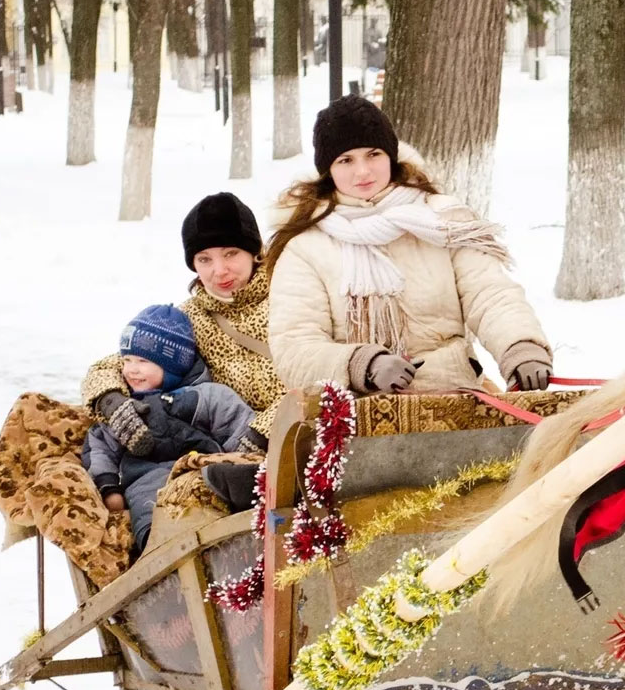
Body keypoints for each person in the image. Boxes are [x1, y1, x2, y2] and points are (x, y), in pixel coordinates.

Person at [265, 94, 551, 396]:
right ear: (328, 170)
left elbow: (489, 294)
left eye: (373, 154)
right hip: (356, 412)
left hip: (454, 395)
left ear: (391, 155)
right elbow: (294, 345)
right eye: (346, 160)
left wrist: (521, 346)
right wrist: (362, 363)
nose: (362, 171)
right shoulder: (305, 247)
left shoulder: (441, 220)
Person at [81, 192, 283, 511]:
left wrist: (264, 431)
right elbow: (112, 366)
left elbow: (318, 375)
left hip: (283, 437)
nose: (219, 270)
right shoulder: (188, 318)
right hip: (218, 441)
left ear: (254, 251)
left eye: (230, 253)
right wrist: (112, 400)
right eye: (205, 259)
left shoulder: (290, 300)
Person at [81, 305, 255, 550]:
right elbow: (100, 446)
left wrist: (245, 457)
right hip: (148, 483)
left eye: (142, 361)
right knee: (148, 502)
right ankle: (157, 546)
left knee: (212, 478)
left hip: (203, 473)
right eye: (127, 360)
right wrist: (109, 487)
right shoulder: (126, 408)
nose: (131, 369)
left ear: (174, 365)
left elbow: (238, 425)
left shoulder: (206, 397)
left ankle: (242, 510)